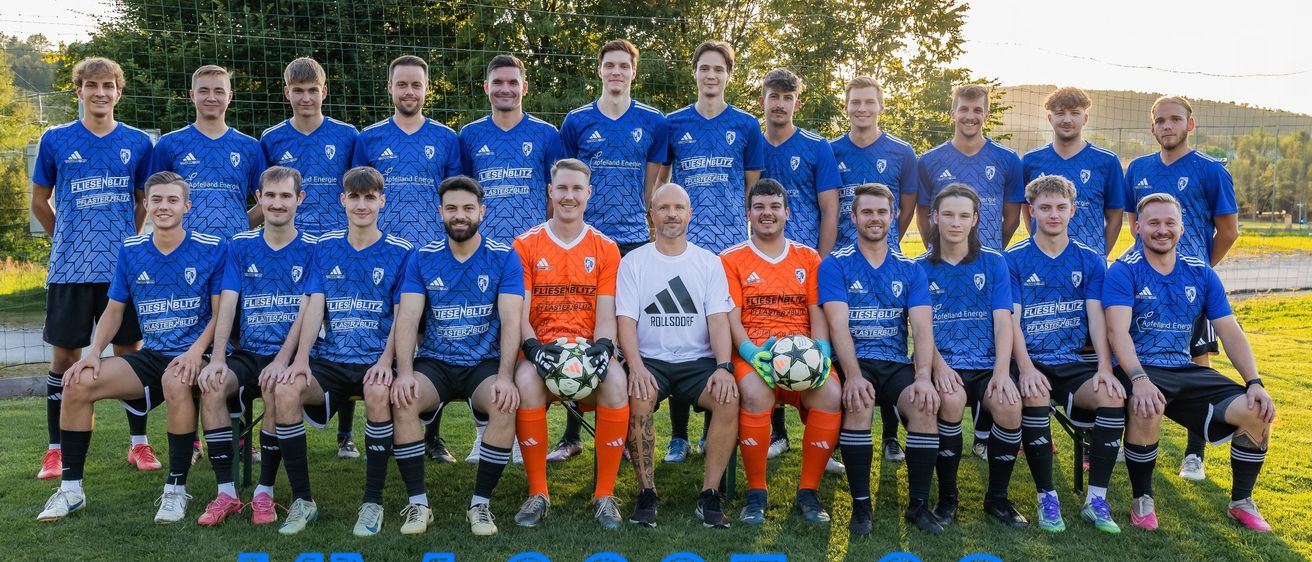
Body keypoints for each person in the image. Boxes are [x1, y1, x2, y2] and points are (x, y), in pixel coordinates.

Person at [37, 172, 232, 523]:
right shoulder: (131, 249)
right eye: (156, 199)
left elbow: (221, 314)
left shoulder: (212, 247)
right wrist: (93, 353)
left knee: (176, 379)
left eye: (172, 200)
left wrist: (195, 352)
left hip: (197, 355)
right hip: (153, 356)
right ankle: (71, 490)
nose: (163, 206)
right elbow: (114, 310)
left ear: (187, 206)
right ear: (145, 204)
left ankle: (175, 491)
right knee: (77, 382)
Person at [1104, 192, 1274, 533]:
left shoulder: (1200, 273)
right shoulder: (1124, 270)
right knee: (1147, 405)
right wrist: (1138, 379)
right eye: (1153, 223)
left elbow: (1229, 330)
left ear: (1181, 228)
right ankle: (1142, 499)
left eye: (1170, 223)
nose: (1162, 230)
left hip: (1182, 368)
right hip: (1138, 367)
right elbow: (1116, 333)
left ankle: (1241, 502)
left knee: (1256, 410)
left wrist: (1254, 382)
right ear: (1138, 228)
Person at [30, 56, 156, 479]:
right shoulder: (56, 139)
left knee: (128, 354)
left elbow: (142, 200)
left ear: (118, 92)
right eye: (92, 85)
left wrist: (127, 242)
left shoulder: (138, 142)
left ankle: (139, 444)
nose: (100, 93)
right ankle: (55, 450)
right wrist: (66, 238)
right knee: (65, 357)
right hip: (70, 269)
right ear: (78, 91)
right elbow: (39, 201)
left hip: (122, 271)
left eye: (108, 86)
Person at [270, 166, 412, 536]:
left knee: (378, 392)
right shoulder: (325, 246)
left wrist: (387, 361)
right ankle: (302, 501)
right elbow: (313, 304)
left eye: (370, 198)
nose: (362, 205)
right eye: (355, 197)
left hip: (375, 359)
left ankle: (372, 503)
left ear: (382, 201)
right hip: (330, 359)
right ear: (342, 200)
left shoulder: (401, 251)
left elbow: (403, 315)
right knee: (285, 390)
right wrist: (300, 360)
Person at [387, 175, 525, 536]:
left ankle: (480, 505)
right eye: (451, 208)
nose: (459, 215)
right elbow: (408, 319)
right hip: (435, 362)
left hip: (483, 364)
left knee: (504, 403)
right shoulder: (423, 257)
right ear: (440, 212)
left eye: (467, 208)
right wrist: (404, 373)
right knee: (404, 398)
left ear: (482, 211)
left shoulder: (504, 257)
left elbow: (512, 321)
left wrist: (506, 377)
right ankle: (418, 505)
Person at [551, 39, 668, 463]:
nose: (616, 72)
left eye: (624, 66)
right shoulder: (577, 120)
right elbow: (565, 180)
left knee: (626, 330)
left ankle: (627, 430)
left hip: (633, 239)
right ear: (599, 70)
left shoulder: (653, 121)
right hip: (585, 240)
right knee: (578, 327)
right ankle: (571, 435)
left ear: (634, 72)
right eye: (610, 65)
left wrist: (643, 217)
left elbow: (652, 183)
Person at [1123, 96, 1240, 481]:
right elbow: (1133, 224)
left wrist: (1196, 274)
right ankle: (1132, 440)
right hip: (1142, 286)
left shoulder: (1211, 170)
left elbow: (1228, 231)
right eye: (1160, 120)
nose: (1167, 126)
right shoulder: (1137, 168)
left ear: (1190, 124)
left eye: (1175, 119)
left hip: (1189, 291)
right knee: (1134, 358)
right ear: (1152, 127)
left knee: (1197, 360)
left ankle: (1194, 455)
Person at [192, 166, 316, 527]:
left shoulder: (314, 248)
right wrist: (217, 358)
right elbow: (228, 303)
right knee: (213, 383)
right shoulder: (240, 245)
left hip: (293, 355)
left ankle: (264, 492)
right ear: (258, 198)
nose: (277, 203)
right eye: (270, 196)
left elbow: (308, 309)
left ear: (299, 199)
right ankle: (226, 493)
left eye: (285, 196)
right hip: (249, 352)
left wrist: (283, 359)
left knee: (278, 385)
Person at [510, 159, 630, 529]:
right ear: (550, 191)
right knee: (526, 382)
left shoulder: (606, 247)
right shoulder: (525, 244)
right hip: (542, 349)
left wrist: (604, 347)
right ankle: (538, 493)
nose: (569, 196)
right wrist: (533, 349)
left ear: (588, 193)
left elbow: (606, 312)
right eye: (562, 188)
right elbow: (519, 313)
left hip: (587, 348)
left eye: (577, 189)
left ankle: (604, 495)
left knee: (616, 382)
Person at [662, 40, 766, 462]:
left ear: (728, 75)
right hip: (684, 248)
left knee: (716, 337)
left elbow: (752, 189)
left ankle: (710, 430)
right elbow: (664, 183)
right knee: (679, 332)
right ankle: (678, 435)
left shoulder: (746, 125)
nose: (711, 75)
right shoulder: (673, 123)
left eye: (718, 69)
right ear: (695, 72)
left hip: (727, 251)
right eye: (704, 68)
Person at [819, 183, 941, 534]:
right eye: (867, 212)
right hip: (853, 361)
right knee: (859, 402)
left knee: (924, 405)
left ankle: (918, 506)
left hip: (895, 363)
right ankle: (861, 508)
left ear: (893, 216)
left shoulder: (910, 268)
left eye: (882, 212)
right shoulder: (836, 264)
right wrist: (854, 376)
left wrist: (923, 376)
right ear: (853, 216)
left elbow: (922, 327)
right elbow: (837, 326)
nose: (875, 218)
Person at [1005, 175, 1124, 533]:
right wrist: (1026, 368)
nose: (1053, 214)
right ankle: (1047, 495)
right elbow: (1011, 321)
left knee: (1112, 396)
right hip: (1028, 360)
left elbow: (1096, 318)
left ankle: (1096, 500)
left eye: (1060, 207)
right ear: (1031, 211)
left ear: (1073, 210)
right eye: (1045, 207)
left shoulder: (1090, 259)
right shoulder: (1013, 259)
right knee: (1035, 393)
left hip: (1071, 361)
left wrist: (1104, 367)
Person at [722, 179, 841, 525]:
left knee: (831, 394)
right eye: (759, 207)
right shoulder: (730, 259)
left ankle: (809, 491)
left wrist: (822, 351)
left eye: (774, 206)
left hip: (802, 353)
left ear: (787, 212)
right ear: (748, 213)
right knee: (755, 394)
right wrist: (748, 351)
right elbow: (731, 317)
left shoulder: (808, 257)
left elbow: (816, 312)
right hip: (756, 355)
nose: (767, 213)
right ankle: (756, 493)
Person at [618, 183, 738, 529]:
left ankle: (709, 494)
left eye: (679, 208)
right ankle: (647, 492)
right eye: (664, 208)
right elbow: (626, 321)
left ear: (690, 214)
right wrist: (636, 367)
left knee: (728, 399)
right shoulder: (634, 262)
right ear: (651, 216)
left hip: (697, 362)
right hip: (651, 361)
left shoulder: (708, 262)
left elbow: (718, 321)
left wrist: (723, 367)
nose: (671, 214)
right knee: (638, 396)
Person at [261, 57, 362, 459]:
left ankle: (345, 434)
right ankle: (271, 420)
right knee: (283, 327)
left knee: (346, 334)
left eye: (312, 90)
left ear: (324, 91)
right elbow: (268, 195)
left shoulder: (347, 135)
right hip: (290, 253)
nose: (306, 98)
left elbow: (357, 191)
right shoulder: (271, 139)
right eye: (298, 91)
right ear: (287, 92)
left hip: (339, 251)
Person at [916, 84, 1024, 456]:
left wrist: (987, 248)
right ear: (953, 113)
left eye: (978, 110)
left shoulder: (1007, 159)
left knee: (991, 332)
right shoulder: (930, 160)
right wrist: (939, 248)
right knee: (949, 329)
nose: (970, 116)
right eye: (964, 109)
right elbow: (924, 213)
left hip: (988, 265)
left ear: (986, 114)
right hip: (944, 262)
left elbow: (1012, 216)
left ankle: (985, 431)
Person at [916, 183, 1028, 529]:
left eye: (964, 215)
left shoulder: (994, 262)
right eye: (948, 214)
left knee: (1009, 405)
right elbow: (920, 327)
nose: (955, 222)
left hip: (987, 364)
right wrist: (938, 366)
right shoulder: (919, 267)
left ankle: (997, 498)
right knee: (950, 402)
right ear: (935, 217)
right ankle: (948, 497)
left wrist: (1001, 372)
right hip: (944, 362)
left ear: (975, 219)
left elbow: (1003, 321)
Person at [828, 75, 919, 462]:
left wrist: (887, 243)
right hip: (844, 262)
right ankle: (842, 430)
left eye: (869, 102)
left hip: (887, 260)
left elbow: (907, 207)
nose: (862, 108)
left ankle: (890, 435)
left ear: (881, 106)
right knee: (848, 339)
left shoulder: (902, 152)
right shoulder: (831, 150)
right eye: (855, 102)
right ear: (846, 106)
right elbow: (828, 205)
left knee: (890, 338)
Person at [151, 65, 266, 238]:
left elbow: (268, 202)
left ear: (229, 97)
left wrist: (240, 224)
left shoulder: (250, 147)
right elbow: (155, 200)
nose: (211, 98)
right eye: (204, 91)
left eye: (219, 91)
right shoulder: (169, 143)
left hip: (233, 248)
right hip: (183, 247)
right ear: (192, 95)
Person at [1020, 87, 1124, 256]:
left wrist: (1098, 256)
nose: (1067, 120)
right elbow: (1027, 209)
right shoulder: (1031, 160)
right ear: (1050, 119)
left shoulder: (1107, 161)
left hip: (1089, 263)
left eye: (1075, 113)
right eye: (1060, 113)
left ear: (1085, 119)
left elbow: (1115, 217)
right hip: (1041, 261)